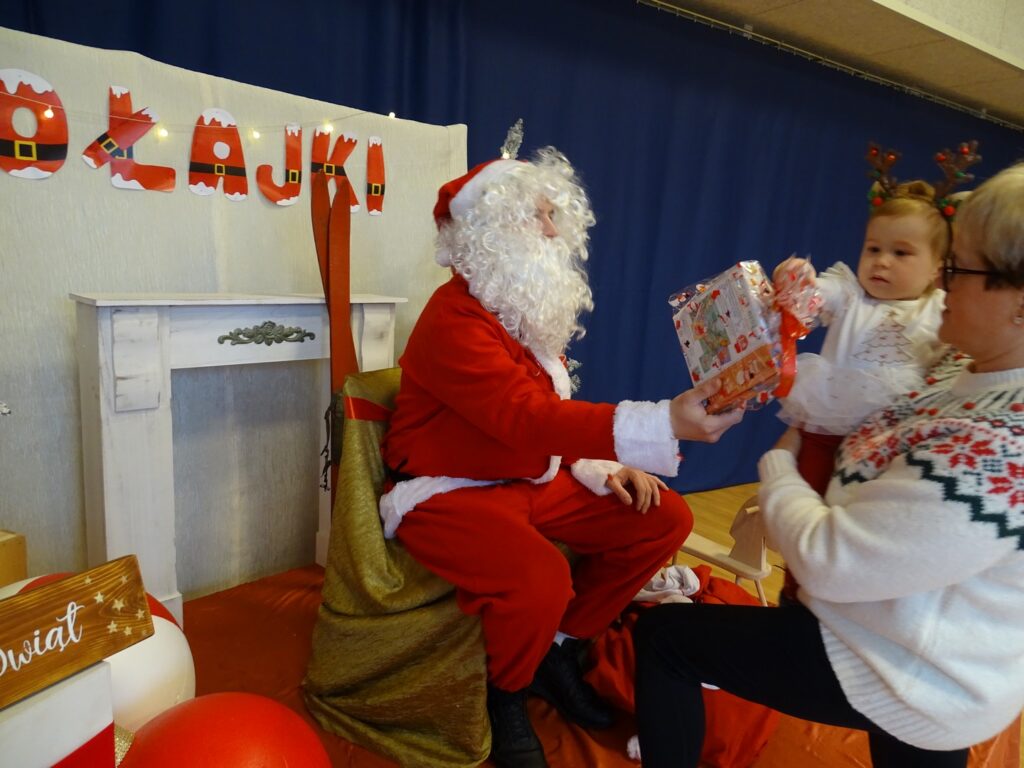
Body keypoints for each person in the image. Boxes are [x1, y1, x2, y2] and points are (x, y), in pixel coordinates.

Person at [633, 162, 1024, 768]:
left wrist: (781, 463)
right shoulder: (959, 369)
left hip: (906, 669)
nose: (941, 282)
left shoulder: (1001, 443)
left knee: (664, 641)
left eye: (957, 268)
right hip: (910, 650)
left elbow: (831, 560)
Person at [380, 147, 744, 768]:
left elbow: (543, 424)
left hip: (528, 477)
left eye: (555, 215)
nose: (555, 231)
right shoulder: (453, 321)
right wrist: (661, 421)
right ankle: (506, 695)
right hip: (449, 490)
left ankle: (558, 649)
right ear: (493, 231)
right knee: (539, 579)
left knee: (663, 521)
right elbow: (524, 417)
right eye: (540, 216)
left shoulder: (519, 316)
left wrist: (602, 466)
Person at [772, 177, 949, 497]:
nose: (882, 260)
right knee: (808, 495)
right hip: (827, 430)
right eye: (873, 248)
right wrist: (798, 278)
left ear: (936, 267)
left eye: (901, 253)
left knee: (863, 506)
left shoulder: (938, 309)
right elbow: (814, 295)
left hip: (890, 441)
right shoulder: (850, 294)